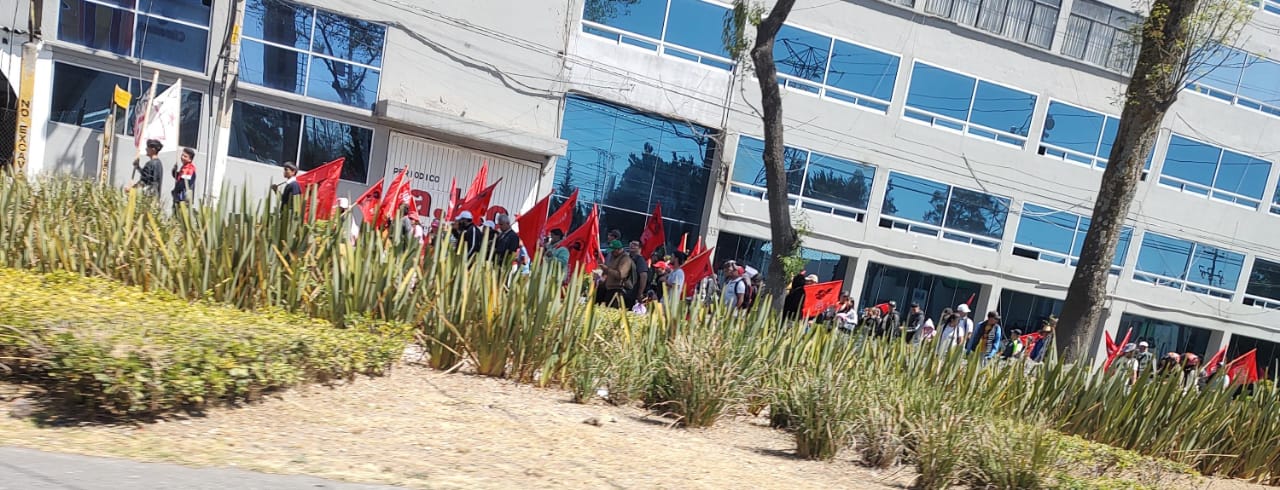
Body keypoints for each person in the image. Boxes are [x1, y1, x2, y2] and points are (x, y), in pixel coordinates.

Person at [597, 240, 634, 307]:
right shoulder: (613, 257)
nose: (611, 252)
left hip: (618, 290)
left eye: (613, 251)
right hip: (609, 289)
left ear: (618, 249)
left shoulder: (625, 259)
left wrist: (607, 269)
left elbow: (620, 275)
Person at [627, 241, 649, 308]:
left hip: (633, 293)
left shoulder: (640, 260)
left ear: (640, 248)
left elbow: (644, 276)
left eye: (635, 245)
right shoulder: (628, 258)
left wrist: (640, 293)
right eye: (631, 244)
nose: (632, 246)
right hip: (626, 291)